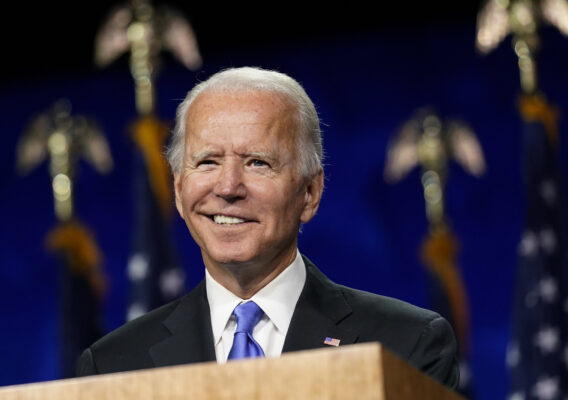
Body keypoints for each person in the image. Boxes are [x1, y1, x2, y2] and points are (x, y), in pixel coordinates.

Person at [77, 66, 459, 388]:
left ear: (310, 192)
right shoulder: (113, 368)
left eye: (258, 162)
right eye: (207, 162)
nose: (227, 188)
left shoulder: (408, 345)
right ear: (178, 190)